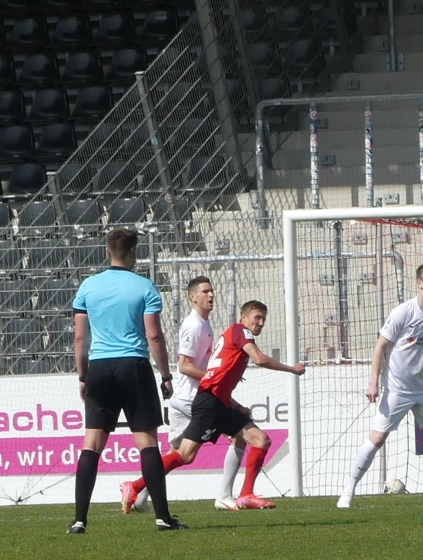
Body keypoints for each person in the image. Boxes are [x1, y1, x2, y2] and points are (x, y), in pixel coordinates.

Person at [68, 227, 175, 534]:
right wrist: (165, 375)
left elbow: (80, 338)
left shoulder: (88, 286)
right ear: (133, 252)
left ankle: (79, 520)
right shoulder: (144, 286)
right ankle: (163, 517)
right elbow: (154, 336)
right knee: (147, 442)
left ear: (107, 251)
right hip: (134, 365)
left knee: (92, 443)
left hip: (100, 367)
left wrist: (83, 376)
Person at [157, 300, 304, 507]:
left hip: (219, 402)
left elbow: (220, 378)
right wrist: (292, 369)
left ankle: (244, 494)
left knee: (260, 440)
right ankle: (136, 486)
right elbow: (259, 359)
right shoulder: (241, 331)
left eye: (264, 319)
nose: (261, 323)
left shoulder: (233, 336)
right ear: (244, 317)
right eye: (257, 317)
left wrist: (236, 406)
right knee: (185, 455)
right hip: (209, 403)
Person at [120, 275, 245, 514]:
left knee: (177, 455)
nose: (211, 295)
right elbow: (185, 365)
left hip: (184, 397)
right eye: (205, 291)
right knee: (241, 435)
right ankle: (225, 496)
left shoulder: (204, 324)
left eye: (212, 291)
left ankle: (138, 493)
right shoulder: (193, 325)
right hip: (192, 399)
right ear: (192, 297)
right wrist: (216, 378)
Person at [341, 263, 423, 508]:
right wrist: (373, 382)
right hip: (397, 389)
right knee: (378, 438)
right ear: (419, 283)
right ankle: (348, 491)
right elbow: (380, 347)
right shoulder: (403, 312)